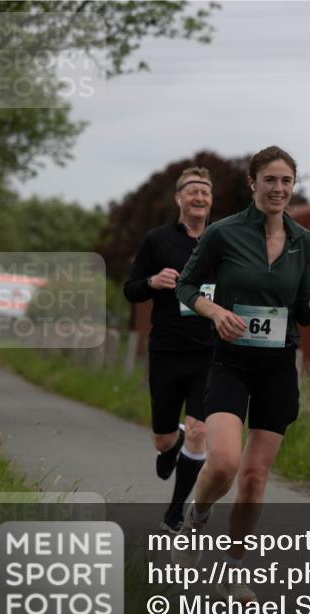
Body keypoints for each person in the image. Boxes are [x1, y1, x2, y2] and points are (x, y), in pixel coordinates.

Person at [172, 146, 310, 604]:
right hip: (232, 362)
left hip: (278, 366)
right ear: (253, 184)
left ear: (293, 186)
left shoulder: (304, 239)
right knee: (224, 462)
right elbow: (186, 286)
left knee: (254, 477)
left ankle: (234, 569)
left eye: (286, 181)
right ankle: (196, 518)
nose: (279, 189)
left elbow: (303, 314)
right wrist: (214, 311)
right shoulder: (224, 234)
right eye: (270, 180)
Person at [124, 167, 215, 534]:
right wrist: (152, 281)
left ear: (211, 201)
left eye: (205, 193)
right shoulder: (157, 240)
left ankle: (175, 513)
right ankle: (169, 443)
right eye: (192, 191)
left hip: (210, 350)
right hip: (166, 349)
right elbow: (131, 289)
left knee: (198, 430)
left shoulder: (222, 240)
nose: (198, 198)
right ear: (179, 198)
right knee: (164, 438)